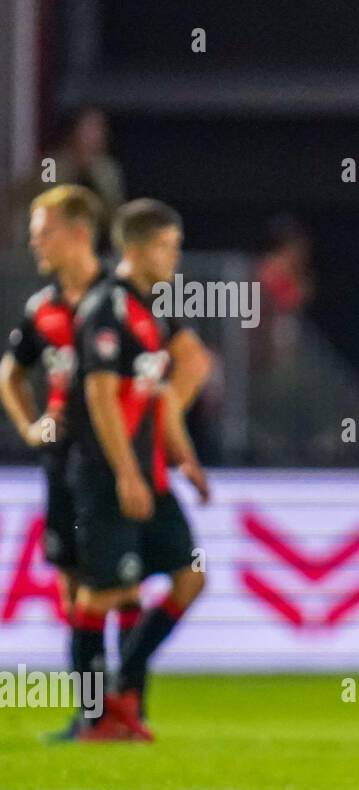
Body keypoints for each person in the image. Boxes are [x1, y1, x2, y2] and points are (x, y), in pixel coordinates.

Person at [0, 185, 144, 740]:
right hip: (62, 460)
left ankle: (123, 708)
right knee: (70, 586)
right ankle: (97, 714)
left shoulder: (119, 299)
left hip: (110, 458)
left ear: (80, 232)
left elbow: (160, 366)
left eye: (45, 231)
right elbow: (10, 374)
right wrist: (29, 424)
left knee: (115, 584)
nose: (35, 242)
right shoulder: (43, 309)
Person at [66, 198, 211, 740]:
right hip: (109, 475)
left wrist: (185, 460)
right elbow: (101, 396)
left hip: (150, 473)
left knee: (189, 578)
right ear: (136, 248)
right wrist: (126, 472)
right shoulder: (106, 307)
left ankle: (122, 686)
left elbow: (161, 398)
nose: (175, 257)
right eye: (167, 246)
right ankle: (94, 715)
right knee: (100, 595)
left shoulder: (156, 310)